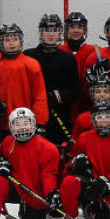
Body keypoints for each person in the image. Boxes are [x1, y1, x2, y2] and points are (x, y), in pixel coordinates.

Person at [0, 23, 49, 137]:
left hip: (23, 123)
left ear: (20, 41)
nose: (12, 43)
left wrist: (40, 122)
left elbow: (39, 96)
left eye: (15, 39)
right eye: (7, 40)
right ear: (1, 42)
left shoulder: (31, 64)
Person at [24, 13, 80, 141]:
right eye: (47, 30)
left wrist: (56, 96)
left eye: (54, 30)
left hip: (59, 114)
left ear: (60, 33)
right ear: (41, 32)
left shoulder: (68, 58)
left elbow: (74, 91)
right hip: (32, 114)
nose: (51, 34)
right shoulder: (28, 56)